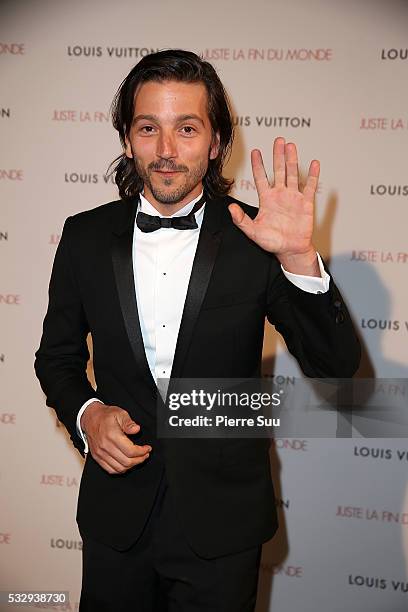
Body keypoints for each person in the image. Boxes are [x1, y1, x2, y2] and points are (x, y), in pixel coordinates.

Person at [35, 49, 360, 612]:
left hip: (223, 527)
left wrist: (301, 259)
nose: (165, 151)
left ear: (215, 143)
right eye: (148, 128)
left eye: (186, 129)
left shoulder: (256, 238)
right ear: (127, 137)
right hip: (117, 521)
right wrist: (87, 414)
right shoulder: (83, 237)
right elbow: (56, 359)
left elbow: (336, 369)